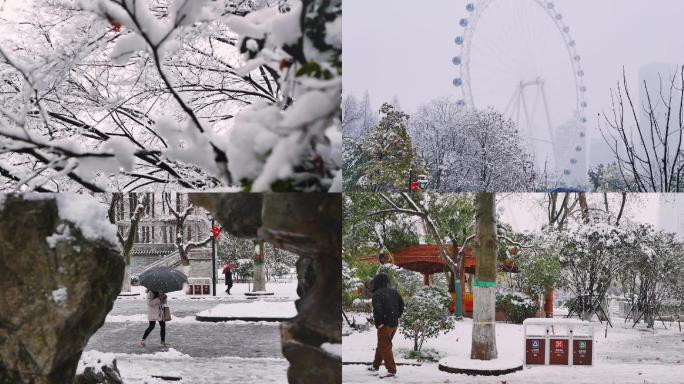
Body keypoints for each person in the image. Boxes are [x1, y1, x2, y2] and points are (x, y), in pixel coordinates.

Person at [368, 273, 404, 378]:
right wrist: (397, 315)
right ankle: (375, 366)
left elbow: (377, 309)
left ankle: (391, 371)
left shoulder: (377, 294)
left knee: (384, 347)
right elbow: (401, 304)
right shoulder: (394, 292)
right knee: (382, 345)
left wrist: (379, 323)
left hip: (384, 324)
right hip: (394, 324)